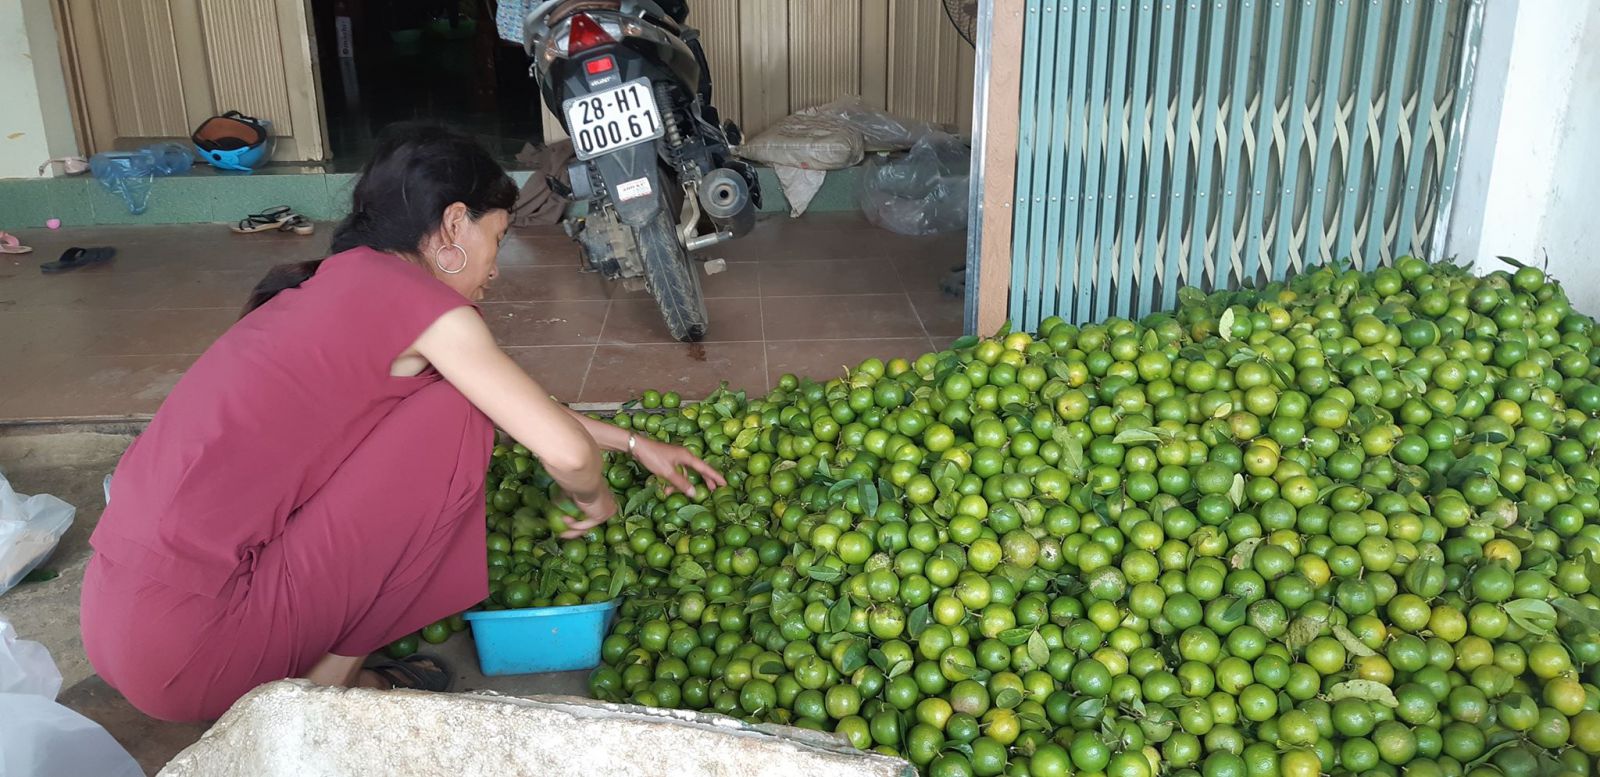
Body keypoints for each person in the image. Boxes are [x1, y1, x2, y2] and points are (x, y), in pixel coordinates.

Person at [79, 123, 724, 723]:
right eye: (496, 239)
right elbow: (562, 452)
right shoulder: (429, 310)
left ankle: (337, 683)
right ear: (452, 226)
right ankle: (322, 706)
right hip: (194, 647)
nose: (496, 270)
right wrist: (598, 496)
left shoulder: (332, 281)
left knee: (454, 404)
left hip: (114, 618)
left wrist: (636, 442)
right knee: (455, 416)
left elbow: (507, 401)